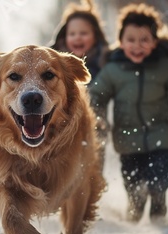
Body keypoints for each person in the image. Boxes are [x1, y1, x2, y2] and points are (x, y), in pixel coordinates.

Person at [89, 3, 168, 222]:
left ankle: (159, 208)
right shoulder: (113, 70)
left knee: (159, 175)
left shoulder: (165, 66)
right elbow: (96, 96)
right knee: (132, 179)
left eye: (144, 40)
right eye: (131, 40)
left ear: (155, 42)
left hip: (160, 134)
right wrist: (97, 118)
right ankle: (134, 209)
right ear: (120, 42)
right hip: (127, 139)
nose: (137, 46)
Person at [50, 0, 109, 170]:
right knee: (64, 174)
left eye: (84, 33)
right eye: (72, 33)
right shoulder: (53, 65)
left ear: (95, 36)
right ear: (64, 36)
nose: (77, 37)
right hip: (61, 130)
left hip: (96, 128)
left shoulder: (105, 61)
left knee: (92, 173)